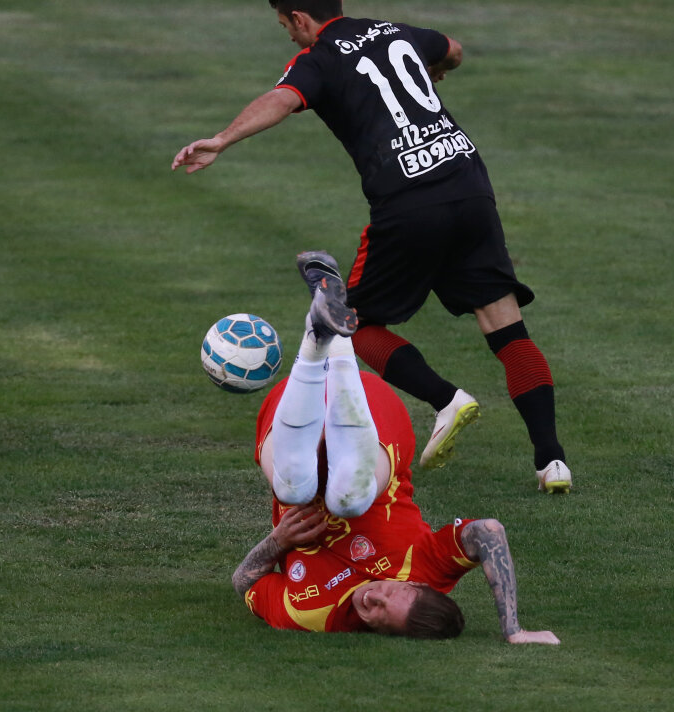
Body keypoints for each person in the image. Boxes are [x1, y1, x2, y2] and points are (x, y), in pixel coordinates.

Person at [172, 0, 571, 493]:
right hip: (468, 184)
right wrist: (438, 67)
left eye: (286, 27)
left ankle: (446, 400)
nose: (289, 37)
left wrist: (222, 139)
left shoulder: (317, 59)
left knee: (352, 323)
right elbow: (453, 48)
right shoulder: (395, 31)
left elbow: (281, 100)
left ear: (300, 19)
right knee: (506, 326)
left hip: (409, 202)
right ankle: (552, 462)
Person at [230, 252, 560, 643]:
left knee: (293, 489)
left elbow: (243, 582)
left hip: (295, 425)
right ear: (417, 586)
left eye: (379, 616)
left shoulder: (311, 615)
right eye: (391, 594)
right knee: (350, 500)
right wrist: (513, 628)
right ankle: (338, 343)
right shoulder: (426, 567)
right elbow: (488, 532)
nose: (373, 599)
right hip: (371, 417)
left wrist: (278, 542)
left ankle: (318, 336)